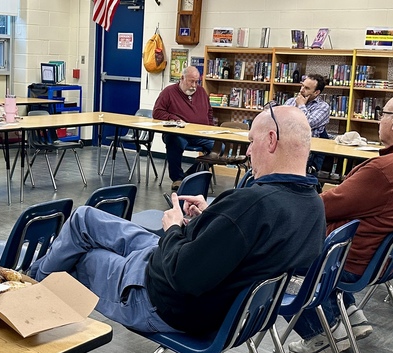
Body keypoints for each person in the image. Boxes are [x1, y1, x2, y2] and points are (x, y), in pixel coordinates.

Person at [29, 105, 324, 338]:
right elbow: (246, 247)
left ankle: (28, 297)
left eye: (251, 142)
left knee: (76, 259)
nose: (247, 152)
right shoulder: (312, 206)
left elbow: (182, 276)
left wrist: (172, 226)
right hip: (211, 299)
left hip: (163, 301)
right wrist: (212, 219)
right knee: (84, 218)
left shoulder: (253, 204)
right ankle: (30, 283)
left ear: (271, 140)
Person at [287, 93, 393, 353]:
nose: (378, 120)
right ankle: (350, 313)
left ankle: (321, 334)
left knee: (281, 251)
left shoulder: (385, 169)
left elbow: (325, 207)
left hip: (353, 261)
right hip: (388, 260)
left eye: (381, 113)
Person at [152, 66, 216, 190]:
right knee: (174, 141)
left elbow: (209, 113)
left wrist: (211, 130)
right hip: (179, 133)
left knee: (220, 148)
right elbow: (157, 112)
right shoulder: (169, 92)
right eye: (191, 81)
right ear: (182, 78)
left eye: (196, 81)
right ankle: (177, 179)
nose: (194, 85)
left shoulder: (201, 92)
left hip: (200, 133)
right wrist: (173, 118)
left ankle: (190, 176)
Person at [284, 73, 331, 137]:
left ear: (316, 92)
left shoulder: (323, 107)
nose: (301, 90)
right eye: (302, 86)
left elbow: (306, 124)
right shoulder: (291, 101)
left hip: (311, 143)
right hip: (289, 139)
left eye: (306, 88)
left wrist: (301, 105)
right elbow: (281, 121)